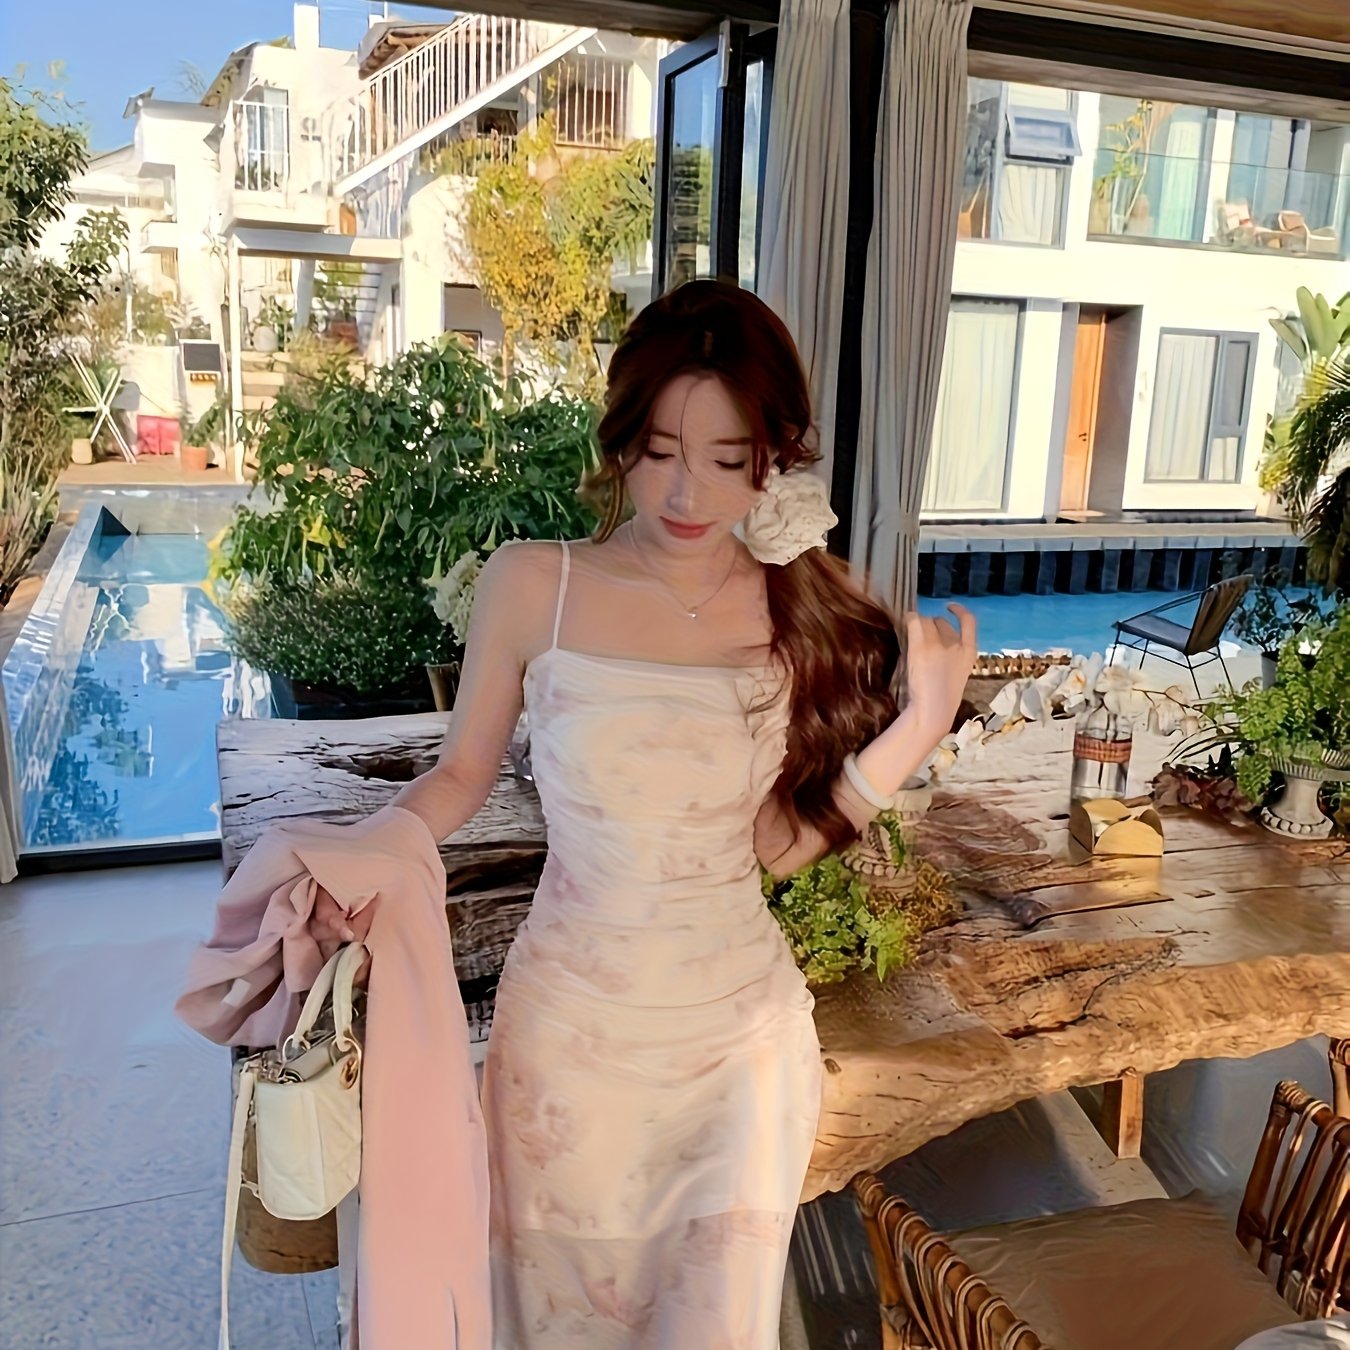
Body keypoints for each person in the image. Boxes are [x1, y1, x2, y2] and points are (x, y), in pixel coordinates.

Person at [308, 280, 975, 1347]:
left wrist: (920, 726)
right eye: (660, 450)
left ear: (773, 459)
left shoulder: (792, 608)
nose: (686, 490)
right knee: (553, 1320)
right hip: (570, 1044)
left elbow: (772, 849)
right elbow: (460, 776)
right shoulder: (534, 584)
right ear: (620, 437)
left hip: (738, 1056)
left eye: (726, 459)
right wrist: (365, 852)